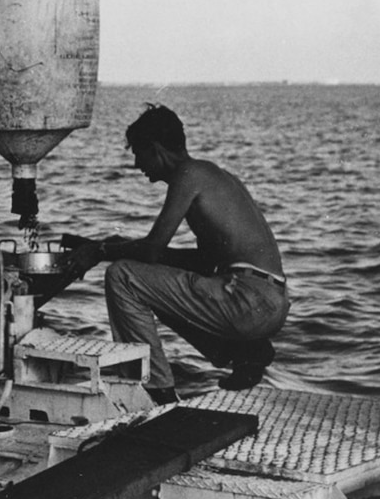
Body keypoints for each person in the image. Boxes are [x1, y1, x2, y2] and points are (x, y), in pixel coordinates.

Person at [62, 104, 289, 405]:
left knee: (121, 276)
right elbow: (200, 264)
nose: (136, 165)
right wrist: (110, 246)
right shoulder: (213, 176)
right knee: (148, 283)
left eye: (137, 154)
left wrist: (103, 250)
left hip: (246, 300)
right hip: (270, 301)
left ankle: (156, 391)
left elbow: (152, 249)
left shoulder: (188, 174)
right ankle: (244, 353)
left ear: (155, 150)